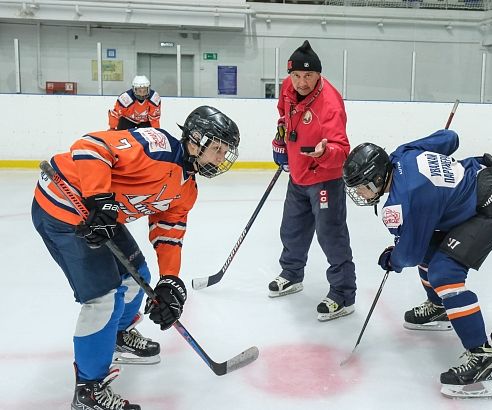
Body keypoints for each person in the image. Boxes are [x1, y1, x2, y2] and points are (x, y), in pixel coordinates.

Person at [32, 106, 240, 410]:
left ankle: (117, 335)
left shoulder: (187, 189)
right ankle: (88, 390)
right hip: (65, 209)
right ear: (195, 140)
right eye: (217, 148)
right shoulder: (156, 147)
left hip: (102, 216)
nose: (221, 158)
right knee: (102, 300)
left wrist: (170, 280)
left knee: (136, 274)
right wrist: (100, 199)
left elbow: (168, 232)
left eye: (225, 151)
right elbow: (90, 147)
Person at [342, 129, 492, 398]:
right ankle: (439, 307)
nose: (360, 194)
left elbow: (409, 255)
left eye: (362, 186)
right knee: (428, 248)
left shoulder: (404, 201)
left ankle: (484, 358)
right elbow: (451, 138)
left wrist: (392, 258)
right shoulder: (403, 153)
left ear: (378, 177)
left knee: (444, 273)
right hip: (480, 183)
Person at [269, 40, 357, 322]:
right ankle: (292, 274)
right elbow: (284, 115)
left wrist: (325, 152)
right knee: (292, 228)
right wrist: (280, 140)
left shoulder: (330, 104)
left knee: (331, 236)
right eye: (296, 75)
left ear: (319, 75)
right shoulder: (287, 86)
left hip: (325, 179)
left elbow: (342, 150)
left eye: (308, 76)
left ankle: (343, 294)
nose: (301, 82)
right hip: (298, 174)